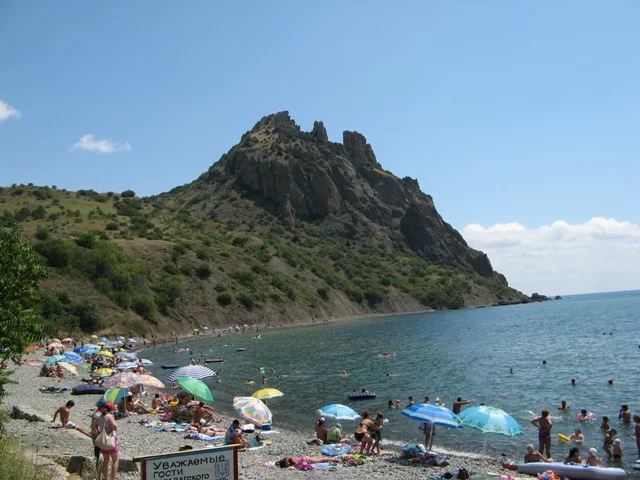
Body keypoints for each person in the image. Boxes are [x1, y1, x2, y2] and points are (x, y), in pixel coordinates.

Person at [92, 402, 118, 480]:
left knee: (106, 461)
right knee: (115, 460)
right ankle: (113, 478)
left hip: (103, 441)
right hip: (110, 440)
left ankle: (105, 478)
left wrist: (97, 433)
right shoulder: (109, 416)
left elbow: (92, 426)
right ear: (112, 409)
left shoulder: (99, 416)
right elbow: (115, 427)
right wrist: (114, 420)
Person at [275, 456, 341, 468]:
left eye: (287, 465)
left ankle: (335, 460)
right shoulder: (287, 458)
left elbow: (297, 464)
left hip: (306, 460)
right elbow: (277, 462)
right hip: (304, 458)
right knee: (318, 458)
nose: (287, 465)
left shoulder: (291, 460)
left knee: (321, 460)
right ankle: (334, 459)